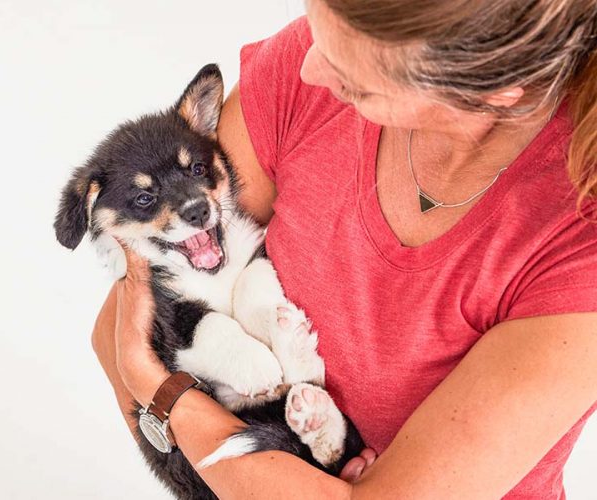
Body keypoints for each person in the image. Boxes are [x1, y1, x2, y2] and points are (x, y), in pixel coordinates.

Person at [91, 0, 597, 498]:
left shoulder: (580, 247)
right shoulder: (299, 68)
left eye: (354, 69)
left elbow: (136, 356)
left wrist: (161, 393)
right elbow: (125, 321)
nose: (312, 66)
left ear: (494, 87)